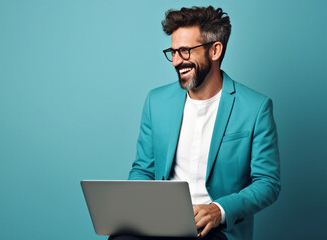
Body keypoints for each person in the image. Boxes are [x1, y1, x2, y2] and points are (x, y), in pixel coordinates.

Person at [110, 6, 280, 240]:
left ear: (215, 50)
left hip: (216, 229)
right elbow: (142, 169)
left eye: (185, 51)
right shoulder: (156, 101)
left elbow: (268, 183)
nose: (176, 61)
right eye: (173, 52)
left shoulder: (255, 108)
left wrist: (219, 211)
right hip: (160, 220)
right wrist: (138, 208)